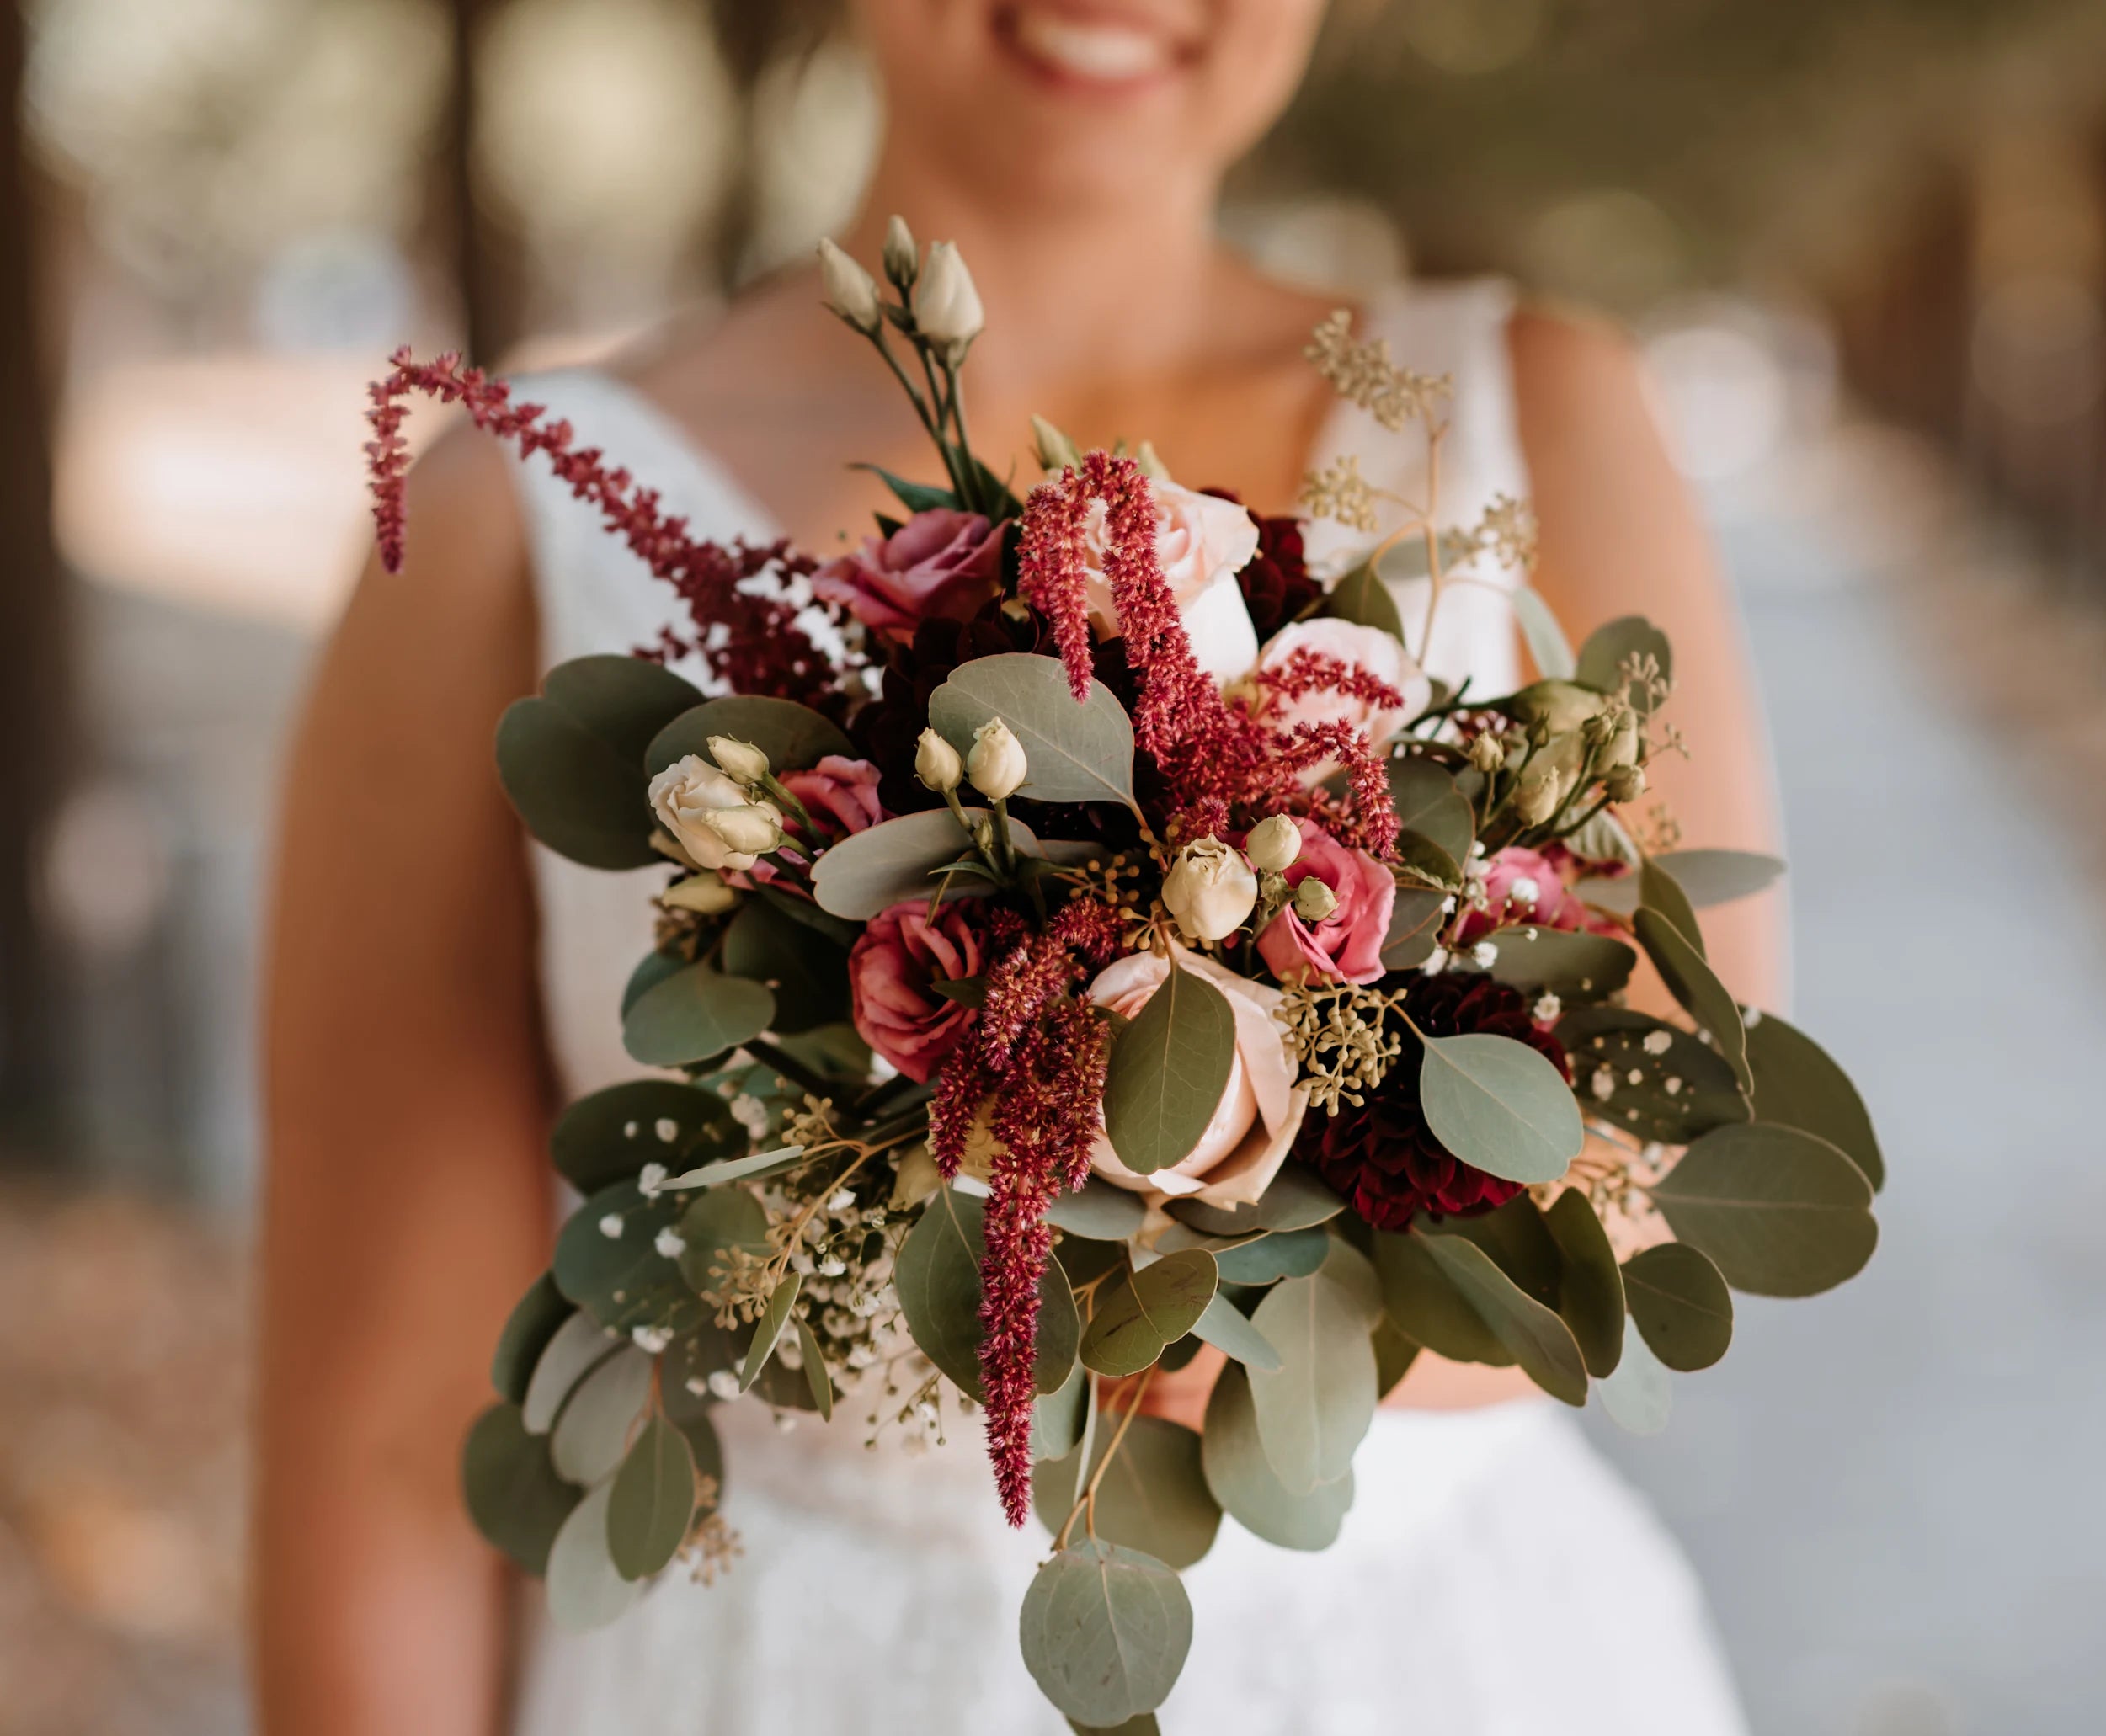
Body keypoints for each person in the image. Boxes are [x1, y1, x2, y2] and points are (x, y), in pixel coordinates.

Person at [256, 2, 1783, 1730]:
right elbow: (389, 1441)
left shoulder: (1533, 415)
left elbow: (1675, 1151)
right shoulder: (504, 528)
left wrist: (1237, 1318)